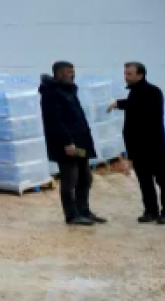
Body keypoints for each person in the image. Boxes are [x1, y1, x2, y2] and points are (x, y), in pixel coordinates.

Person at [108, 61, 165, 224]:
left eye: (129, 74)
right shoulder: (134, 93)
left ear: (140, 75)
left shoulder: (152, 92)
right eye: (125, 73)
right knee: (145, 182)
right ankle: (150, 211)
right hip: (138, 148)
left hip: (154, 147)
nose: (126, 77)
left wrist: (119, 103)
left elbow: (142, 106)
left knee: (162, 180)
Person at [39, 61, 105, 226]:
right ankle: (72, 215)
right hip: (67, 146)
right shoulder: (51, 94)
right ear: (59, 74)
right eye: (69, 72)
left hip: (80, 143)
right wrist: (67, 142)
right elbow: (55, 122)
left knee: (85, 178)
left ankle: (84, 210)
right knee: (70, 179)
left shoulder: (69, 90)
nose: (72, 74)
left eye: (73, 71)